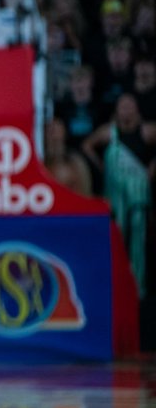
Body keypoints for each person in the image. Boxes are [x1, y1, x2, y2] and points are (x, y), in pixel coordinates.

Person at [82, 93, 155, 297]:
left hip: (138, 193)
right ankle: (115, 283)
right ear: (117, 110)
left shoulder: (147, 130)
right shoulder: (108, 132)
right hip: (115, 194)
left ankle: (137, 285)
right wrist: (101, 166)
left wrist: (152, 167)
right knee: (117, 236)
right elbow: (87, 145)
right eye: (123, 106)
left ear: (137, 109)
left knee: (139, 236)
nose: (126, 110)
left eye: (130, 106)